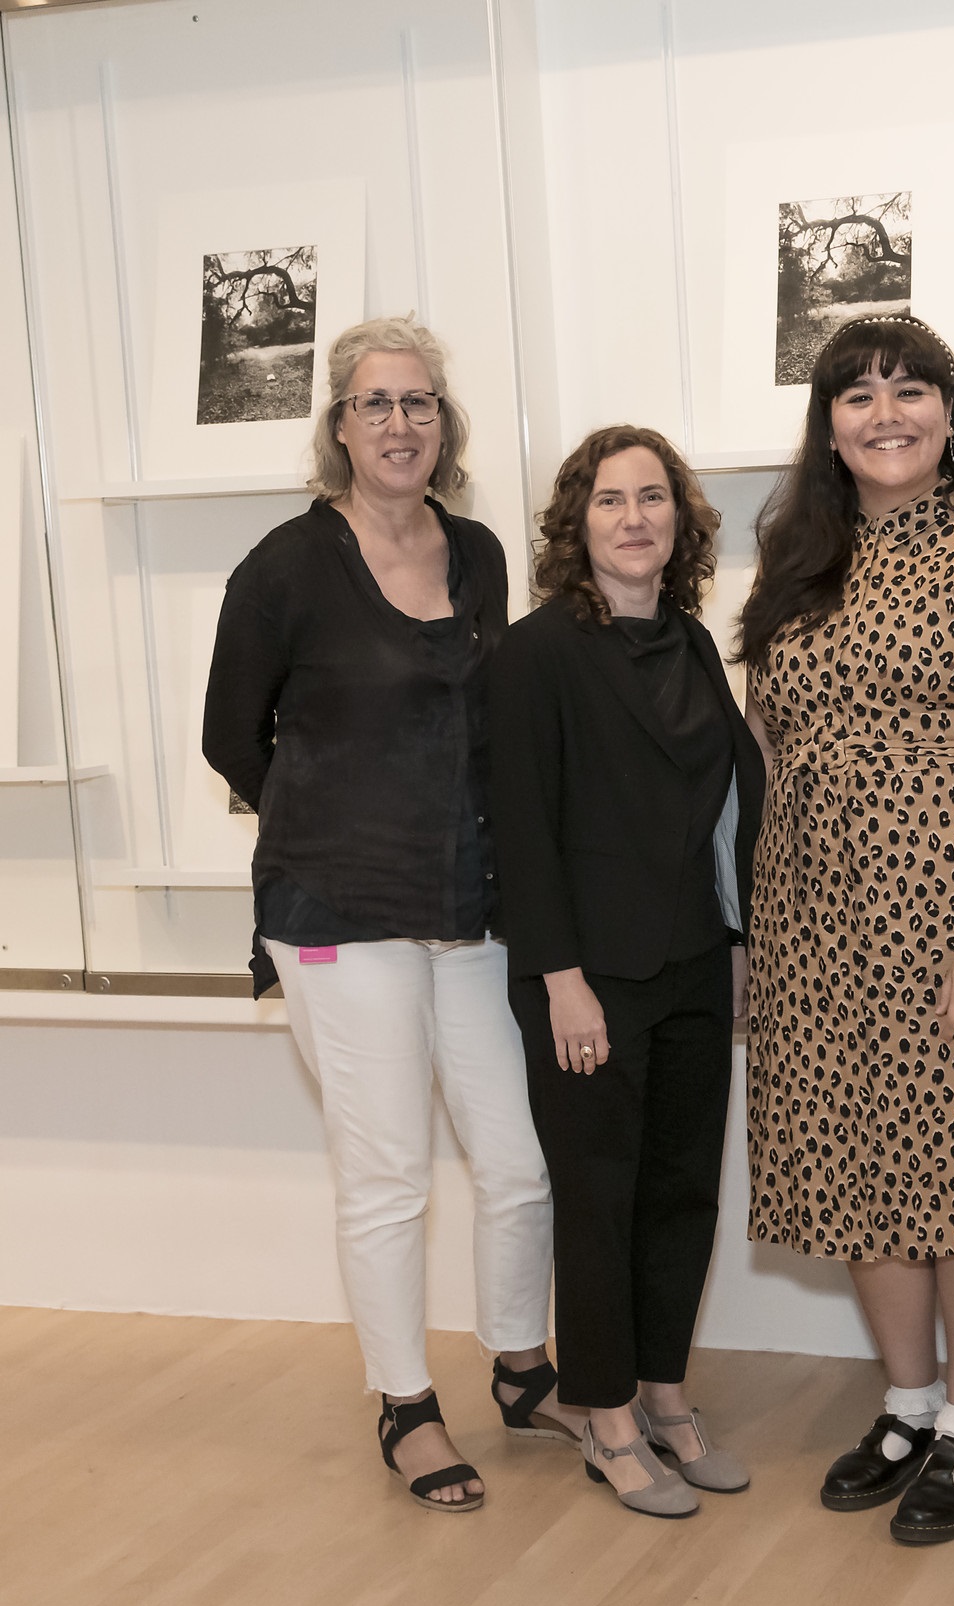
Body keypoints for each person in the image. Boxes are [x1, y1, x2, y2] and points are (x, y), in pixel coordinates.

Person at [202, 315, 574, 1513]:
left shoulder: (476, 555)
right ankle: (406, 1405)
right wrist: (323, 818)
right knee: (387, 1174)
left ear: (444, 425)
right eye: (376, 405)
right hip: (338, 911)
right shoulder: (284, 565)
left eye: (419, 403)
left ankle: (524, 1368)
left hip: (469, 905)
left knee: (515, 1162)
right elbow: (229, 733)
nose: (400, 424)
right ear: (340, 428)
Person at [738, 315, 954, 1546]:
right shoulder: (795, 562)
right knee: (858, 1165)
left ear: (951, 414)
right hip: (816, 925)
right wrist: (764, 929)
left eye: (910, 390)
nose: (884, 412)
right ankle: (904, 1406)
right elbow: (773, 754)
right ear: (827, 423)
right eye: (857, 395)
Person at [488, 426, 765, 1520]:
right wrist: (560, 980)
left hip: (695, 961)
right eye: (610, 500)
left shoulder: (694, 642)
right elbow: (523, 828)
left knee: (680, 1193)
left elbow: (722, 811)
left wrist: (739, 947)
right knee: (599, 1198)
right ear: (577, 522)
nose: (635, 518)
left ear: (681, 523)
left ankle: (664, 1392)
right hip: (588, 978)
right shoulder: (536, 651)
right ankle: (602, 1415)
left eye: (653, 498)